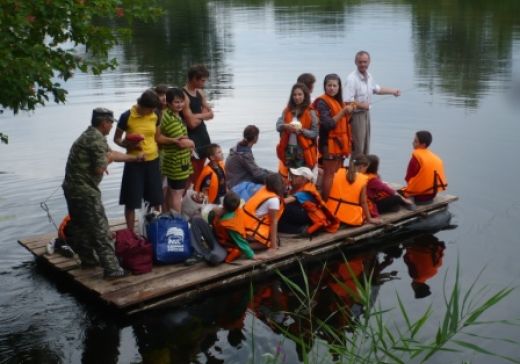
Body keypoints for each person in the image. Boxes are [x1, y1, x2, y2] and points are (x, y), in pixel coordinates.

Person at [62, 108, 144, 278]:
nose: (112, 126)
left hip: (71, 188)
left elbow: (111, 153)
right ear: (104, 122)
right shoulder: (96, 140)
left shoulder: (91, 134)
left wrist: (135, 158)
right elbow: (100, 168)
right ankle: (113, 269)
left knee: (79, 226)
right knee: (100, 229)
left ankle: (88, 260)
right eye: (111, 123)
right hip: (85, 191)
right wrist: (109, 158)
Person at [114, 89, 163, 231]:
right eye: (150, 109)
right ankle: (130, 233)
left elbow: (157, 138)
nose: (152, 111)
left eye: (154, 109)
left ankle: (155, 229)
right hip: (134, 162)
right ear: (142, 105)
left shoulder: (156, 115)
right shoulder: (127, 116)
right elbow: (117, 139)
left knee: (156, 200)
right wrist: (128, 144)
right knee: (131, 201)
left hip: (153, 161)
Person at [344, 50, 401, 158]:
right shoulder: (351, 79)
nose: (363, 64)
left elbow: (377, 89)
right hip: (355, 117)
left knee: (366, 146)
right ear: (355, 62)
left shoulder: (369, 76)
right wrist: (362, 105)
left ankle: (363, 173)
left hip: (366, 115)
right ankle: (354, 173)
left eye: (365, 62)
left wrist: (393, 91)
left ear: (369, 62)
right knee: (358, 148)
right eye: (360, 62)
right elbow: (347, 100)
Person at [313, 74, 354, 200]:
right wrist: (343, 112)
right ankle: (325, 202)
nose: (331, 88)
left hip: (340, 144)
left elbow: (345, 124)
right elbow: (328, 124)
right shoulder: (322, 102)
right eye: (329, 85)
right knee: (329, 174)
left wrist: (349, 111)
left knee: (336, 173)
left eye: (334, 85)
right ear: (325, 86)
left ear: (339, 87)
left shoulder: (339, 101)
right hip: (328, 144)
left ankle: (332, 199)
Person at [157, 87, 195, 213]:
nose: (180, 105)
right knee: (177, 194)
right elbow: (182, 142)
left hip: (172, 160)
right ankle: (177, 222)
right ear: (168, 103)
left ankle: (168, 216)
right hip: (178, 162)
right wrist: (192, 143)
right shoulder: (171, 119)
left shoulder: (169, 114)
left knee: (170, 191)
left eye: (181, 101)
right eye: (176, 102)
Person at [279, 167, 339, 235]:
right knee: (280, 224)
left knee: (285, 208)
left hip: (309, 217)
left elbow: (284, 201)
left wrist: (269, 198)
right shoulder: (299, 188)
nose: (292, 178)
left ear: (304, 179)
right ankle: (296, 229)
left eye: (296, 176)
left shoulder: (304, 192)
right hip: (304, 214)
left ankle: (301, 230)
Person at [276, 83, 318, 172]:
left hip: (302, 151)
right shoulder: (287, 110)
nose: (297, 97)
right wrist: (285, 126)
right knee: (290, 173)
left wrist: (302, 131)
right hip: (289, 149)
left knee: (302, 176)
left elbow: (315, 133)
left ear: (305, 96)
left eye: (300, 94)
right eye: (294, 95)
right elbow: (278, 126)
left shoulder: (311, 112)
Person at [326, 158, 381, 226]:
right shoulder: (362, 179)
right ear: (361, 167)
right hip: (350, 219)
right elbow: (363, 202)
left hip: (331, 215)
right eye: (366, 168)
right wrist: (370, 219)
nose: (365, 171)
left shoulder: (338, 172)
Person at [182, 64, 214, 182]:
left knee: (201, 171)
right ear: (194, 78)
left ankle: (198, 194)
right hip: (191, 137)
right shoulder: (184, 96)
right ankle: (189, 196)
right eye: (202, 80)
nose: (204, 83)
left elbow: (211, 114)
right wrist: (203, 115)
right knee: (192, 174)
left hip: (203, 135)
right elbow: (191, 124)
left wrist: (197, 115)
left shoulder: (200, 92)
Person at [240, 173, 285, 249]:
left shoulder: (262, 190)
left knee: (274, 239)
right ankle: (242, 247)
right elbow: (273, 222)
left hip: (243, 226)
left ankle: (243, 244)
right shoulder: (274, 200)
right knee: (272, 243)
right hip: (249, 231)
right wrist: (274, 246)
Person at [402, 130, 447, 204]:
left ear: (423, 144)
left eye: (415, 141)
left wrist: (412, 188)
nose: (412, 143)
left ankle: (410, 204)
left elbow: (408, 178)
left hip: (418, 197)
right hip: (432, 195)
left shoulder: (416, 159)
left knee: (395, 194)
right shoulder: (436, 158)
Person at [225, 125, 273, 190]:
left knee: (267, 176)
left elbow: (254, 168)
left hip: (233, 181)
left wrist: (269, 173)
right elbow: (257, 174)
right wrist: (274, 178)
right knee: (270, 184)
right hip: (239, 185)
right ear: (255, 138)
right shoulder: (244, 154)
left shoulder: (237, 148)